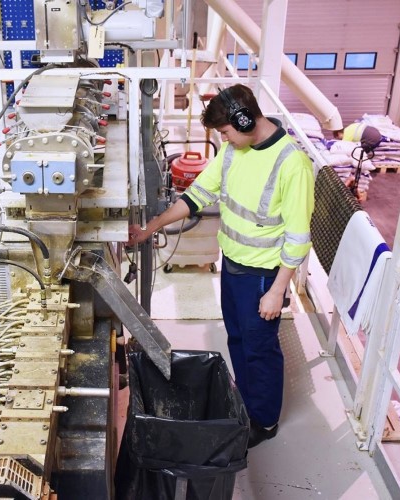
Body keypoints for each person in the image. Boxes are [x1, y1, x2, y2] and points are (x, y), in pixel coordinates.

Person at [128, 84, 314, 448]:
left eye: (227, 132)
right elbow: (197, 195)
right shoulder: (233, 151)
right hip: (232, 266)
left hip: (263, 277)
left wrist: (278, 291)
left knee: (260, 349)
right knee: (238, 339)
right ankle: (244, 400)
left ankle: (263, 421)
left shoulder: (291, 164)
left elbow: (297, 238)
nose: (225, 140)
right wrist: (150, 227)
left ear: (245, 120)